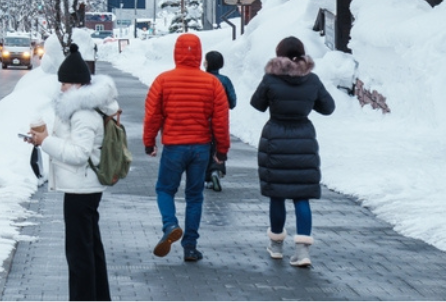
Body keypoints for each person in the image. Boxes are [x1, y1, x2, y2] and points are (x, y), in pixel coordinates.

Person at [26, 43, 117, 301]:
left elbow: (78, 154)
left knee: (79, 254)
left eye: (64, 83)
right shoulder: (81, 110)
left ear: (77, 84)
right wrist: (42, 138)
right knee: (90, 249)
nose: (61, 88)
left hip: (82, 187)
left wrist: (44, 142)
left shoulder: (84, 114)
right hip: (82, 187)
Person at [142, 33, 230, 263]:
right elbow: (221, 120)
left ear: (176, 53)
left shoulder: (163, 80)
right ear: (200, 55)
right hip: (201, 148)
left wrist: (149, 142)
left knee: (164, 189)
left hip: (174, 147)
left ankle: (170, 224)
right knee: (195, 196)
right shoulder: (212, 83)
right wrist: (222, 151)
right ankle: (190, 247)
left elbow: (152, 115)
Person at [251, 36, 336, 268]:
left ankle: (276, 246)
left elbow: (256, 104)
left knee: (277, 195)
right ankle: (302, 251)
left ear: (279, 55)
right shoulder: (313, 80)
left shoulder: (270, 79)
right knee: (302, 196)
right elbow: (328, 108)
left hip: (275, 138)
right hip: (303, 140)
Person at [203, 50, 236, 191]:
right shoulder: (225, 80)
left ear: (207, 63)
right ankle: (216, 170)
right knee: (218, 146)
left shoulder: (201, 78)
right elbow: (233, 102)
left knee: (204, 148)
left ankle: (207, 177)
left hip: (203, 120)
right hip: (220, 118)